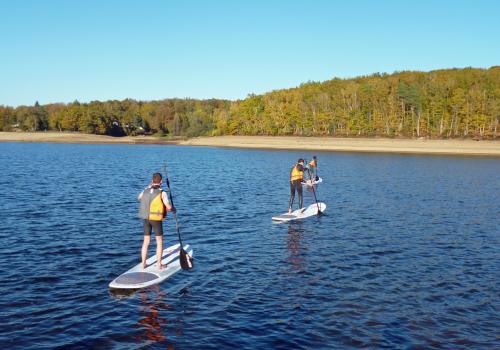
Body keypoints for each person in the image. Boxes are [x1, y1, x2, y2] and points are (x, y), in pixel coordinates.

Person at [138, 172, 175, 270]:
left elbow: (139, 197)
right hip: (156, 220)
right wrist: (173, 209)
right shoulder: (162, 192)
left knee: (146, 242)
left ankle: (143, 264)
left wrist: (148, 187)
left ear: (152, 180)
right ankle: (159, 265)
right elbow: (168, 206)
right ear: (161, 181)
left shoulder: (146, 190)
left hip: (146, 219)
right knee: (159, 242)